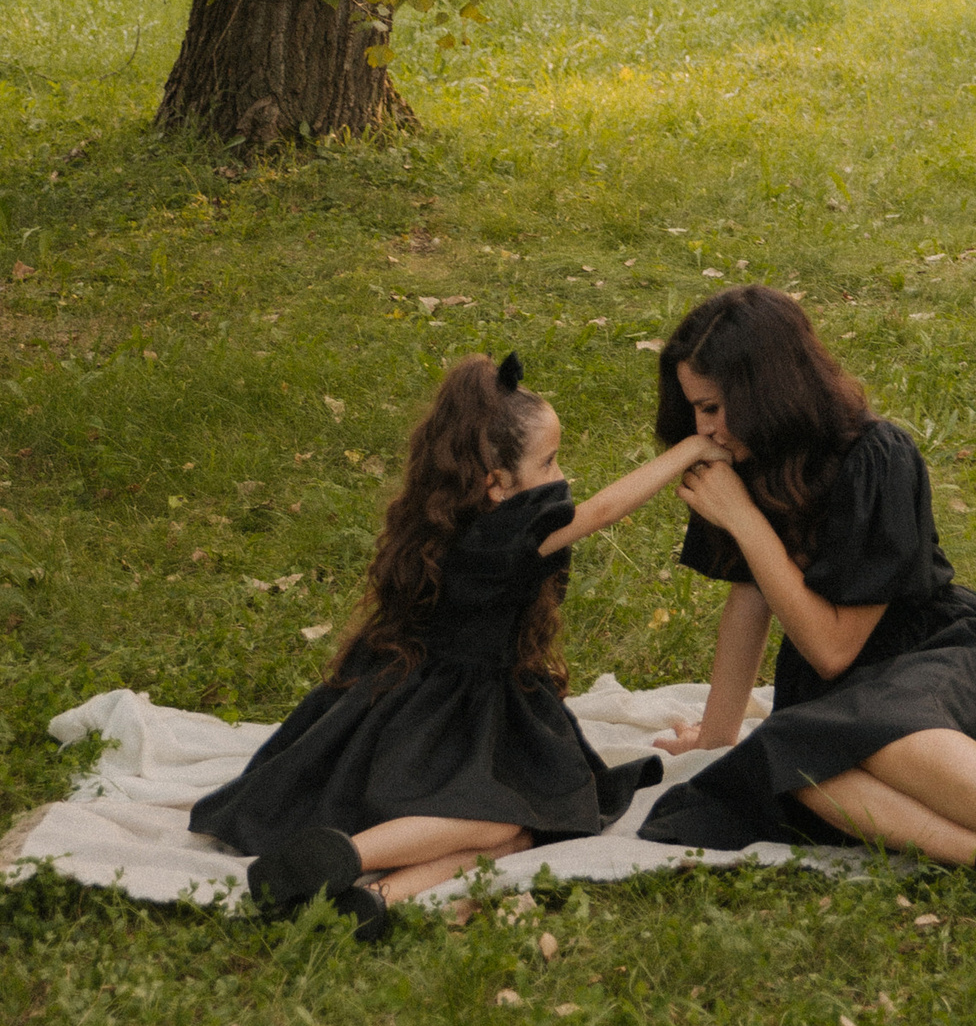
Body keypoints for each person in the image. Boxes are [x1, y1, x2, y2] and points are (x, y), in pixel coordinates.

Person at [639, 285, 976, 925]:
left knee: (870, 731)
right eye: (695, 410)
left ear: (766, 393)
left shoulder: (878, 457)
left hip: (944, 660)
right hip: (844, 700)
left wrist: (746, 522)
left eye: (714, 407)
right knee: (784, 753)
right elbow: (750, 600)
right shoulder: (745, 464)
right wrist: (715, 737)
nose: (703, 430)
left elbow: (830, 651)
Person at [192, 350, 704, 936]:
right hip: (461, 717)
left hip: (398, 695)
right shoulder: (515, 533)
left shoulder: (446, 520)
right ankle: (355, 855)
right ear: (495, 483)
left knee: (517, 834)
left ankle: (377, 897)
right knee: (504, 821)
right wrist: (690, 449)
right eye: (551, 461)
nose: (561, 477)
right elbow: (604, 509)